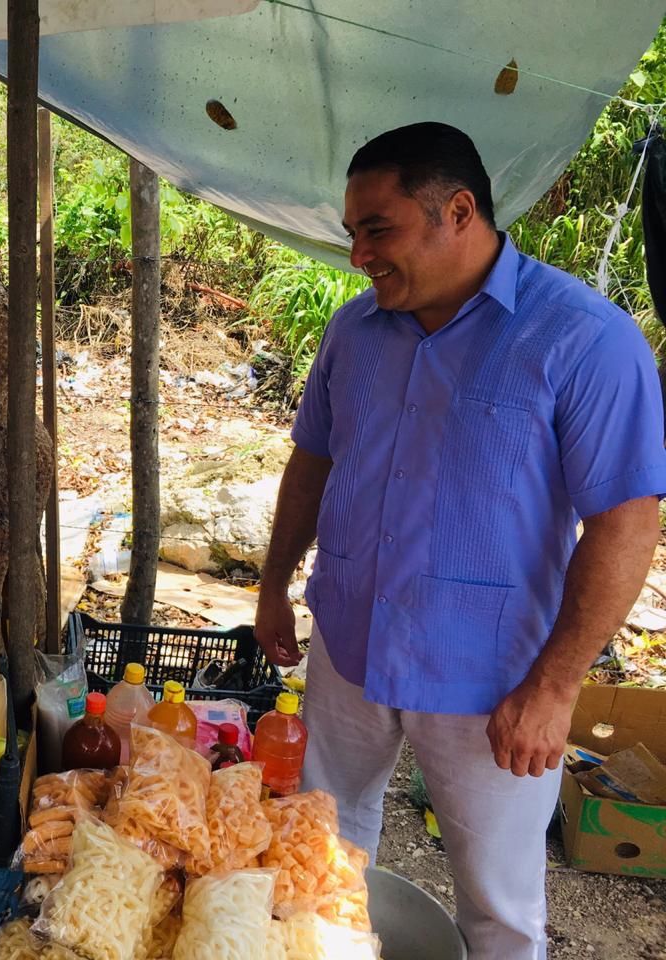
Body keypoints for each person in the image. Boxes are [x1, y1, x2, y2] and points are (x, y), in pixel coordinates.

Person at [255, 122, 666, 959]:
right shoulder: (354, 333)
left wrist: (555, 688)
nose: (358, 255)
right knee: (322, 855)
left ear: (459, 211)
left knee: (499, 907)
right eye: (352, 232)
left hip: (493, 679)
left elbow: (626, 522)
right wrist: (272, 585)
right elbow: (313, 462)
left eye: (379, 229)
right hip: (350, 644)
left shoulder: (583, 339)